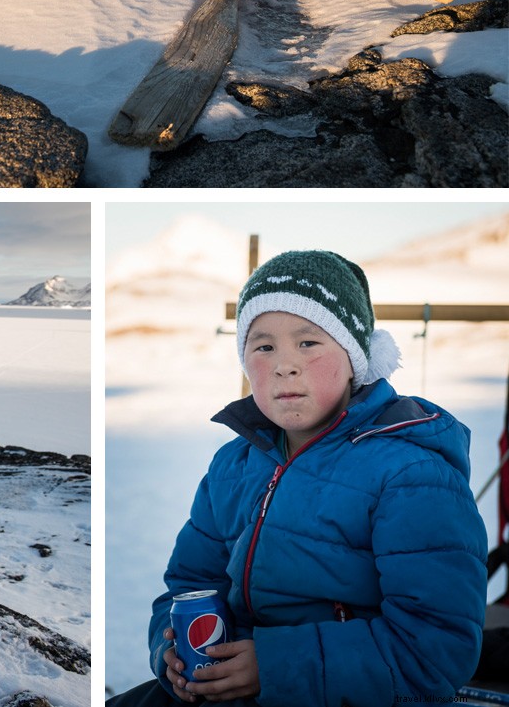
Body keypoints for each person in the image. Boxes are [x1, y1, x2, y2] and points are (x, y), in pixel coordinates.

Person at [109, 250, 487, 706]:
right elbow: (189, 582)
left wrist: (270, 668)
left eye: (308, 343)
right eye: (263, 347)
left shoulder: (411, 474)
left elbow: (434, 651)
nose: (284, 364)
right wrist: (169, 649)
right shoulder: (233, 466)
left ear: (355, 358)